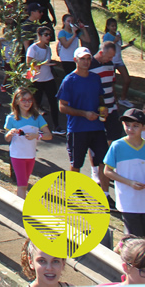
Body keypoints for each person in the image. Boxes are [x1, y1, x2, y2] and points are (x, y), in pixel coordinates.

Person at [59, 46, 109, 185]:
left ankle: (105, 195)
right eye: (83, 59)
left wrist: (103, 109)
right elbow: (62, 107)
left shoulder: (95, 78)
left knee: (103, 161)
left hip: (97, 127)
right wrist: (84, 114)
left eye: (88, 59)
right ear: (75, 60)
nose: (86, 62)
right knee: (76, 164)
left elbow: (100, 98)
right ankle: (74, 191)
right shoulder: (69, 80)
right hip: (77, 128)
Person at [4, 87, 52, 198]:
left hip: (30, 155)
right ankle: (20, 211)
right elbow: (7, 139)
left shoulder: (37, 118)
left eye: (30, 99)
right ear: (17, 101)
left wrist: (37, 135)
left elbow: (48, 136)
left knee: (25, 184)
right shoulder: (11, 118)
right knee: (22, 184)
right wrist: (10, 133)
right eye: (23, 100)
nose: (27, 103)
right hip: (17, 155)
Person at [104, 108, 145, 237]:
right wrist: (130, 182)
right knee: (135, 238)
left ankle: (120, 247)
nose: (130, 129)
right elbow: (107, 171)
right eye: (127, 125)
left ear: (143, 127)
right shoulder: (117, 146)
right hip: (128, 200)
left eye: (135, 126)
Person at [29, 26, 64, 135]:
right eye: (46, 35)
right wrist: (42, 64)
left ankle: (56, 126)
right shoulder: (33, 48)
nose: (48, 37)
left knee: (53, 102)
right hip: (37, 79)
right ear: (39, 35)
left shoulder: (48, 49)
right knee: (36, 103)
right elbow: (29, 63)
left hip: (48, 78)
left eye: (50, 35)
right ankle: (34, 125)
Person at [103, 17, 136, 108]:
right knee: (112, 82)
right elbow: (106, 47)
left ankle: (123, 98)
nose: (114, 28)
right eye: (112, 26)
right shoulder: (107, 36)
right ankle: (115, 100)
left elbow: (118, 48)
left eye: (115, 26)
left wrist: (128, 45)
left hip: (119, 60)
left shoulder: (118, 35)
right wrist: (114, 41)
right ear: (108, 27)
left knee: (127, 79)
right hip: (111, 61)